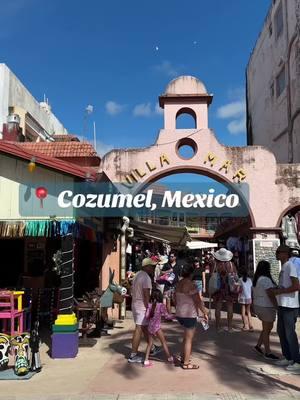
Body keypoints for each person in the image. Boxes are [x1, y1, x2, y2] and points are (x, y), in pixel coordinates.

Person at [269, 245, 300, 372]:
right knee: (281, 332)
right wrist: (278, 290)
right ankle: (288, 357)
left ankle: (297, 361)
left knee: (290, 333)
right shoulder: (284, 267)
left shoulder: (289, 266)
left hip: (290, 305)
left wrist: (280, 291)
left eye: (278, 252)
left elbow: (296, 286)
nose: (276, 254)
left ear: (285, 254)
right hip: (282, 304)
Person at [175, 264, 208, 370]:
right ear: (191, 273)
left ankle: (183, 356)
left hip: (180, 313)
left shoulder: (179, 283)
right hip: (189, 314)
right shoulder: (191, 284)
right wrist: (205, 312)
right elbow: (197, 300)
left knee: (185, 337)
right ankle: (186, 363)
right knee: (189, 339)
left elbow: (174, 298)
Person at [128, 257, 160, 363]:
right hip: (141, 306)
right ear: (146, 266)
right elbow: (147, 295)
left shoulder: (137, 275)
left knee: (145, 327)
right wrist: (149, 309)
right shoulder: (146, 277)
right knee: (139, 328)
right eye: (152, 266)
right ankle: (133, 355)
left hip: (135, 304)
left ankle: (152, 348)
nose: (153, 268)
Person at [252, 260, 279, 360]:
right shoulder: (266, 280)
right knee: (267, 329)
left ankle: (258, 345)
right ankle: (268, 352)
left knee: (266, 328)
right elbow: (270, 294)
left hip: (259, 305)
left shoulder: (257, 279)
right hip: (266, 306)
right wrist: (277, 306)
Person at [143, 289, 174, 367]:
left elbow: (146, 316)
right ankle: (169, 358)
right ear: (160, 296)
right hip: (157, 327)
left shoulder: (149, 305)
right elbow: (166, 316)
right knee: (163, 342)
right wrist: (174, 316)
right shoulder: (161, 305)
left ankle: (146, 360)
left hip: (150, 327)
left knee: (150, 344)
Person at [211, 248, 238, 332]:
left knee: (218, 307)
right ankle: (229, 327)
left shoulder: (215, 264)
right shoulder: (231, 264)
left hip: (218, 287)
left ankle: (218, 327)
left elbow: (211, 275)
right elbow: (236, 276)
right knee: (230, 307)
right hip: (229, 288)